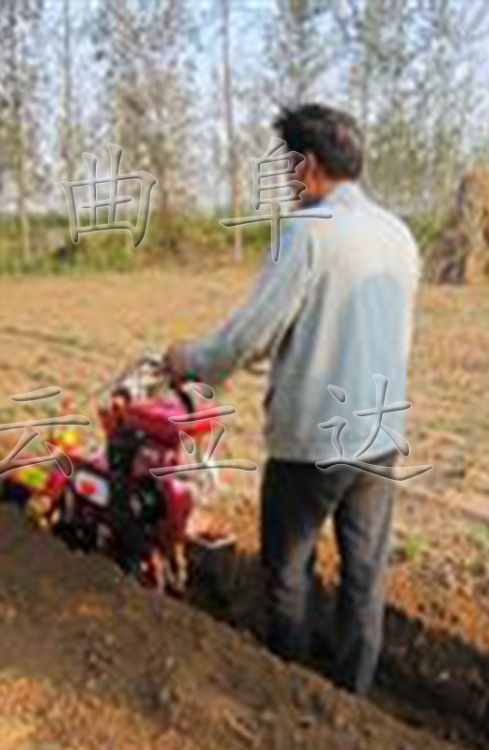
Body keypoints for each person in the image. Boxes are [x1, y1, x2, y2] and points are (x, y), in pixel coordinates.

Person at [164, 104, 420, 695]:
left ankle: (291, 690)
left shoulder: (307, 233)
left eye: (286, 167)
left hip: (313, 439)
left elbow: (250, 336)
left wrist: (191, 363)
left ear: (306, 166)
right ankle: (352, 696)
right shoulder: (398, 234)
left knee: (287, 568)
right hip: (379, 434)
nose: (285, 180)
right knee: (364, 574)